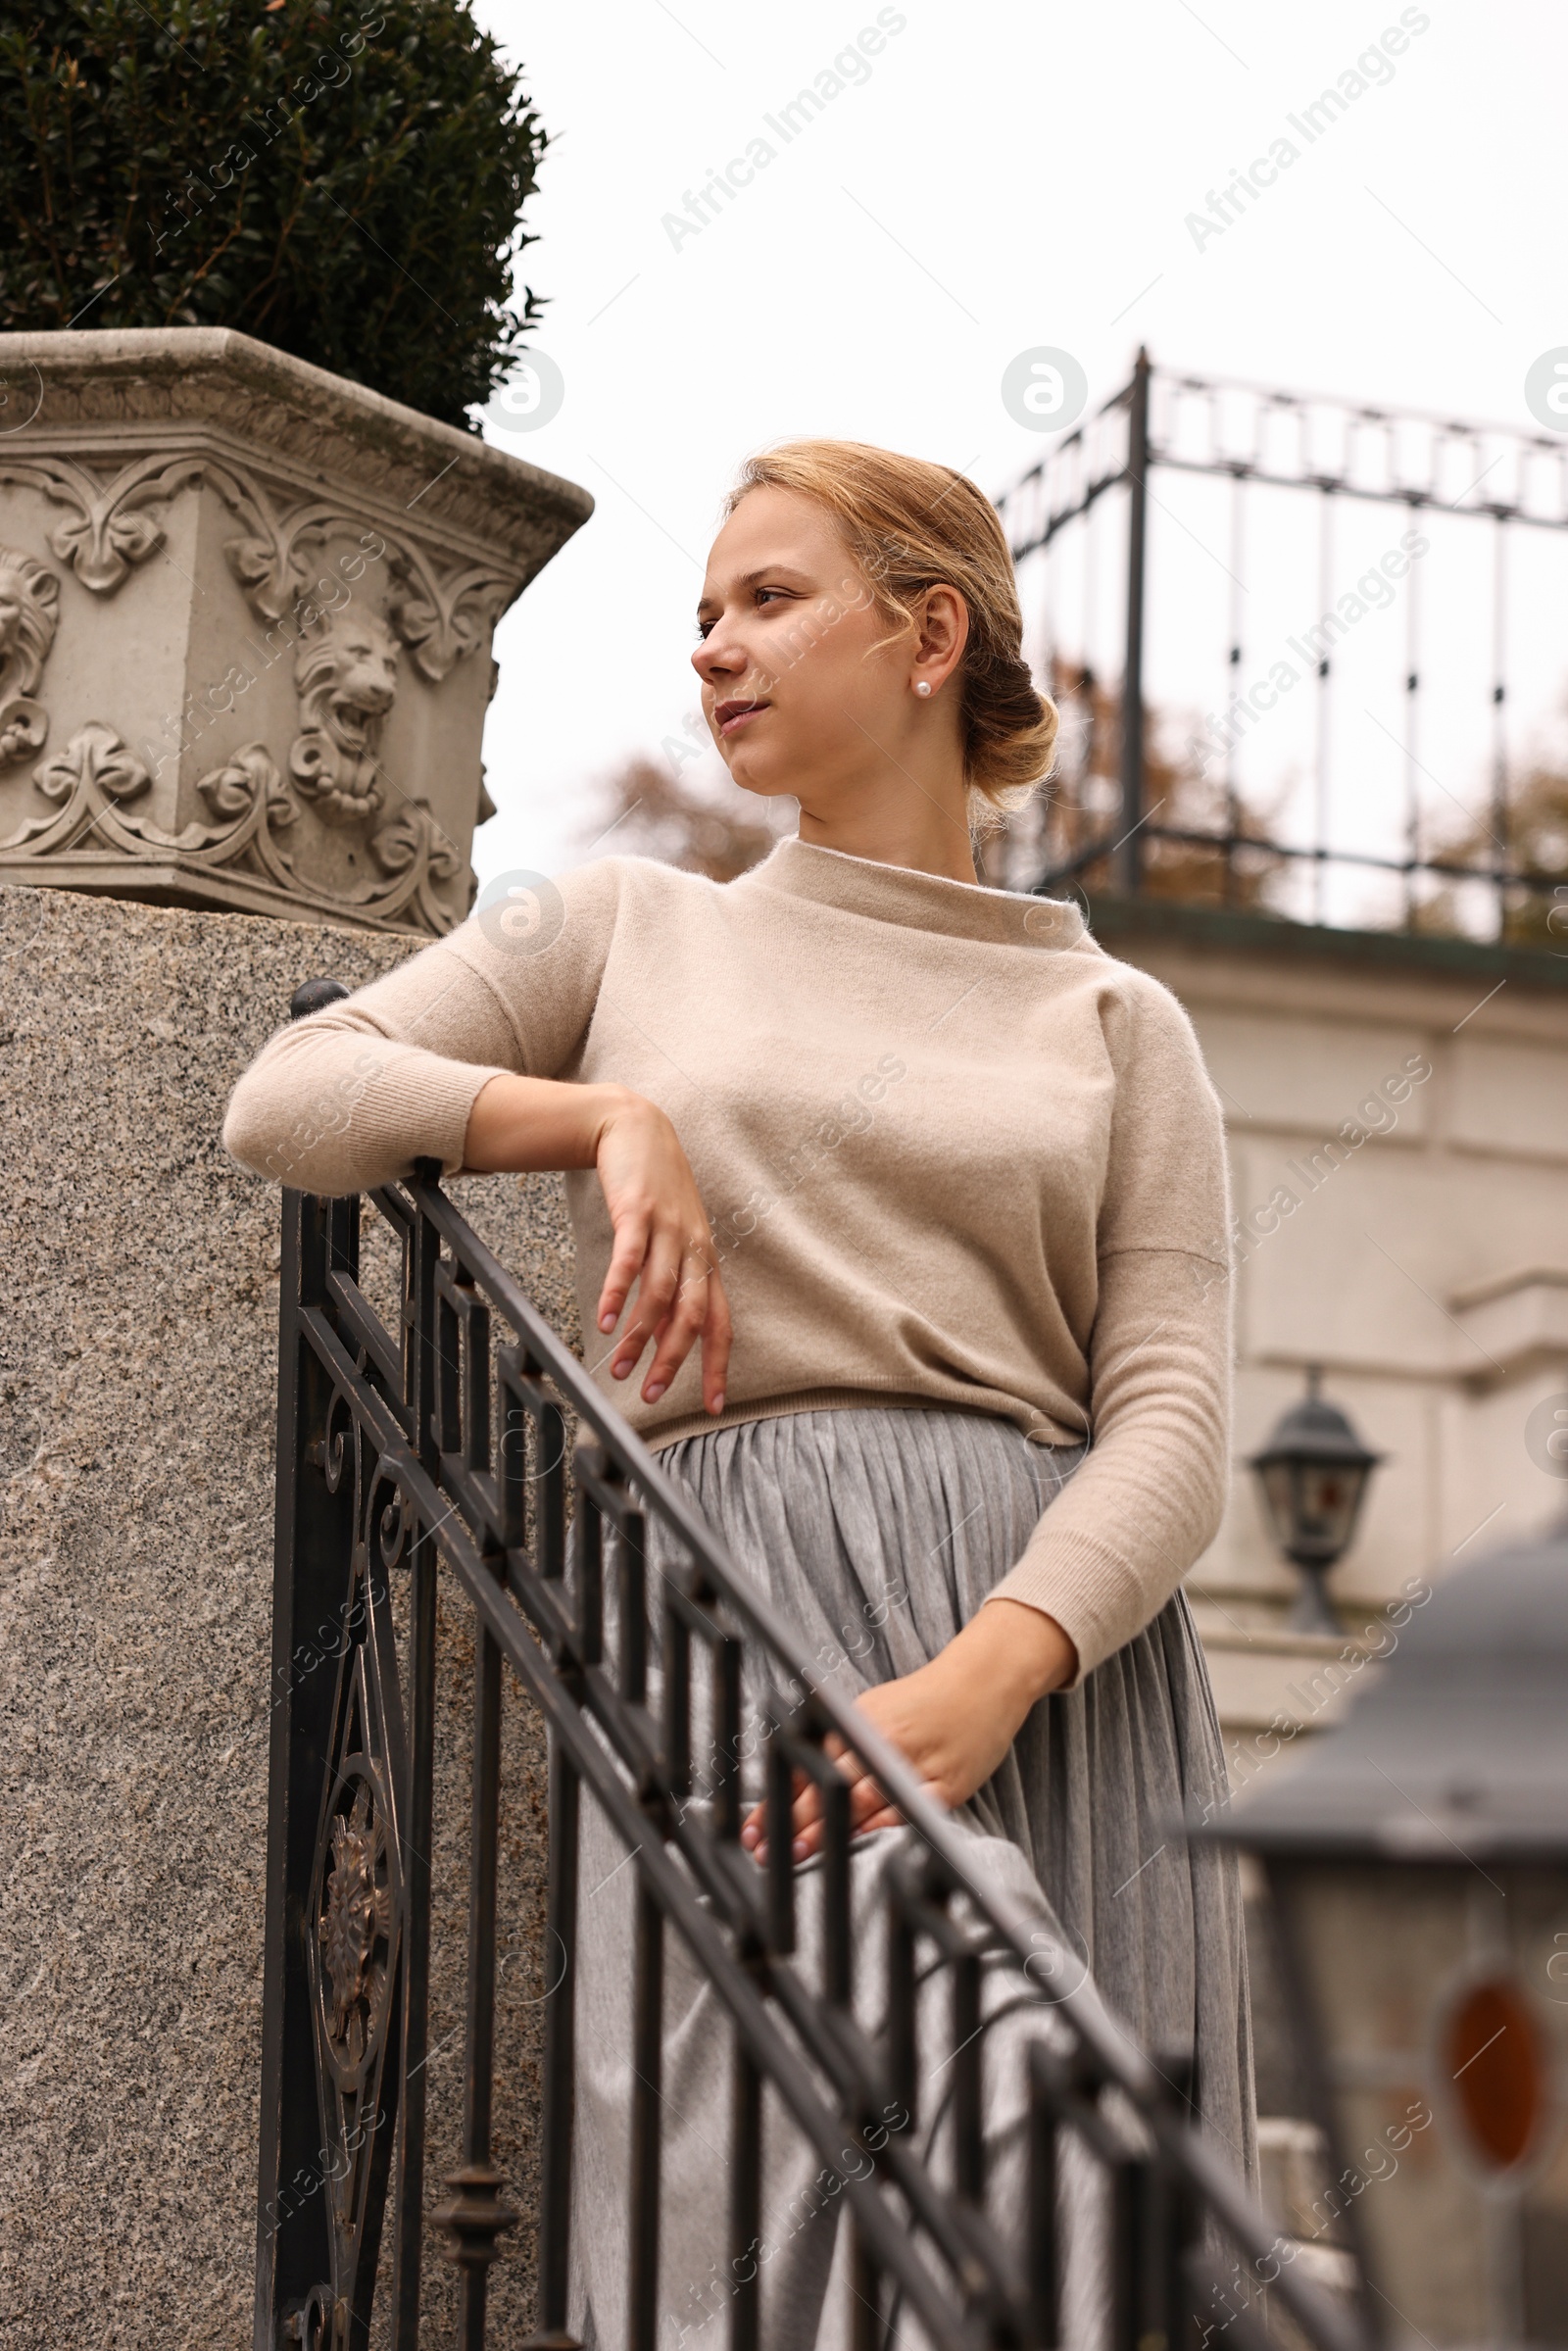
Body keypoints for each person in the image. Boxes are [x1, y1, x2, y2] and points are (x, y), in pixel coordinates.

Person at [222, 438, 1252, 2349]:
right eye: (700, 614)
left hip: (1046, 1671)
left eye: (768, 600)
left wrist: (990, 1672)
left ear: (928, 631)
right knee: (747, 2243)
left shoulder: (1116, 1022)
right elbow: (289, 1103)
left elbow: (1174, 1420)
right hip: (727, 1626)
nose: (713, 649)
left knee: (1068, 2248)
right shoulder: (626, 929)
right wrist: (601, 1114)